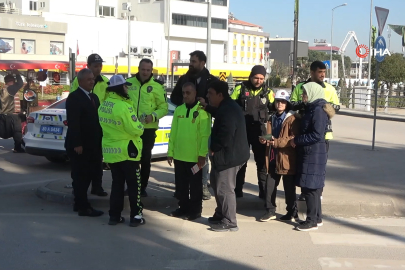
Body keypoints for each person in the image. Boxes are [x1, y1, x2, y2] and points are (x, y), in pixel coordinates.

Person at [171, 50, 219, 201]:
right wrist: (187, 103)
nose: (191, 64)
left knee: (202, 155)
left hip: (204, 122)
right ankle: (182, 189)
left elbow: (219, 100)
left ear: (203, 63)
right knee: (185, 159)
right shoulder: (184, 78)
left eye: (194, 61)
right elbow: (174, 97)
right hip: (185, 122)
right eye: (190, 61)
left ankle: (203, 186)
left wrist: (205, 103)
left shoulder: (211, 80)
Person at [98, 75, 146, 227]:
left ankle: (114, 216)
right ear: (120, 88)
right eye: (125, 86)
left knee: (117, 185)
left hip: (112, 153)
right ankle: (136, 216)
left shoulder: (103, 105)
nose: (127, 88)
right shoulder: (124, 106)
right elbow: (135, 128)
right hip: (127, 152)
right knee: (134, 186)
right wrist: (141, 126)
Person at [203, 80, 250, 232]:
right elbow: (219, 114)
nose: (208, 96)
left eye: (210, 94)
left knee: (224, 188)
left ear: (220, 94)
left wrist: (214, 148)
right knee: (217, 183)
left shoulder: (228, 110)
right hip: (229, 155)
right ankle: (221, 213)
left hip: (230, 157)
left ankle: (230, 221)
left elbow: (225, 134)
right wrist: (207, 107)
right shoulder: (226, 106)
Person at [290, 61, 340, 201]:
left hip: (323, 133)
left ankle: (317, 193)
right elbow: (292, 104)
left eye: (324, 72)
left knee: (319, 165)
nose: (323, 75)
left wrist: (323, 107)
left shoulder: (329, 88)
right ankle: (305, 192)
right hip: (303, 131)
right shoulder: (301, 87)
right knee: (303, 163)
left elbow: (336, 106)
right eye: (320, 72)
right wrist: (305, 105)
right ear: (312, 73)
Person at [290, 82, 335, 231]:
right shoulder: (313, 108)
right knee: (313, 187)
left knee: (310, 187)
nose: (303, 96)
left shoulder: (317, 110)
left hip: (313, 152)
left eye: (305, 93)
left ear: (313, 93)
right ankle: (317, 218)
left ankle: (311, 221)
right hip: (312, 152)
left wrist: (296, 140)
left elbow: (316, 134)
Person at [168, 82, 211, 221]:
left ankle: (195, 210)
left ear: (195, 93)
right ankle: (183, 208)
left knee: (195, 187)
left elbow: (205, 135)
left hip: (194, 158)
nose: (185, 95)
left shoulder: (202, 111)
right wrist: (170, 152)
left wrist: (202, 154)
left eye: (188, 93)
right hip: (180, 156)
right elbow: (173, 132)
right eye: (184, 93)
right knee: (181, 186)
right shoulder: (179, 110)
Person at [230, 65, 275, 198]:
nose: (259, 81)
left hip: (260, 131)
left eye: (262, 78)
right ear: (251, 76)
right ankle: (237, 191)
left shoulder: (268, 92)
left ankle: (263, 192)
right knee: (241, 161)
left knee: (261, 163)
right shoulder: (240, 89)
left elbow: (274, 111)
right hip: (242, 130)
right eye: (256, 78)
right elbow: (230, 106)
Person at [65, 68, 104, 217]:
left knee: (88, 174)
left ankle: (78, 203)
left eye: (93, 79)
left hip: (93, 144)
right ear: (80, 81)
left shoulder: (94, 97)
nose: (92, 81)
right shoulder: (74, 97)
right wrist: (77, 144)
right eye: (89, 79)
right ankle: (83, 207)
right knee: (80, 176)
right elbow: (74, 123)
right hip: (80, 145)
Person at [127, 59, 168, 197]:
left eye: (148, 70)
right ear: (138, 68)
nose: (145, 72)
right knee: (131, 159)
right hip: (130, 128)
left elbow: (164, 107)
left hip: (148, 129)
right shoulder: (128, 83)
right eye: (143, 69)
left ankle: (142, 187)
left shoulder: (157, 86)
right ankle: (132, 186)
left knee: (145, 158)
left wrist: (153, 116)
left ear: (151, 70)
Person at [70, 54, 109, 196]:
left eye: (100, 66)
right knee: (81, 165)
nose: (98, 69)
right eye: (95, 66)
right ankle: (79, 191)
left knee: (97, 160)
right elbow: (76, 101)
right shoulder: (78, 81)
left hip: (99, 125)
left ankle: (97, 187)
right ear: (89, 66)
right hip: (84, 126)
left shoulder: (105, 82)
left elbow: (108, 101)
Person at [258, 90, 300, 222]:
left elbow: (293, 138)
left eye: (283, 101)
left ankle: (292, 212)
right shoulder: (272, 117)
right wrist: (264, 139)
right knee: (269, 185)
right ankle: (270, 210)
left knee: (289, 188)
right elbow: (270, 135)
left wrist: (276, 142)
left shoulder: (293, 118)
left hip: (286, 158)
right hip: (272, 157)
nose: (280, 104)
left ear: (287, 103)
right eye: (278, 101)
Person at [0, 70, 24, 153]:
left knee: (4, 132)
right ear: (11, 81)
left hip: (3, 114)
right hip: (12, 114)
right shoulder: (11, 89)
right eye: (14, 81)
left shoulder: (2, 90)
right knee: (17, 131)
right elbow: (20, 83)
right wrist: (17, 73)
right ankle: (17, 148)